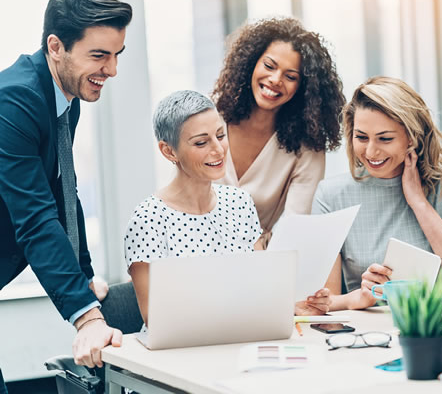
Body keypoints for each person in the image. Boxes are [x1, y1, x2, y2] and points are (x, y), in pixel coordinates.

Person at [0, 0, 132, 380]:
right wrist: (86, 317)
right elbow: (36, 216)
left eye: (117, 54)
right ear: (56, 47)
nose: (112, 69)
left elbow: (63, 189)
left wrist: (84, 276)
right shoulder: (15, 101)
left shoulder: (62, 95)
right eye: (99, 56)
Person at [125, 91, 331, 326]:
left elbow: (262, 291)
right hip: (180, 354)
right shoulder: (148, 219)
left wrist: (293, 306)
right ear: (169, 151)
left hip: (241, 340)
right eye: (201, 142)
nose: (219, 149)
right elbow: (156, 319)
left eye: (221, 135)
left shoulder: (240, 203)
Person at [312, 76, 442, 311]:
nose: (371, 151)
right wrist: (360, 297)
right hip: (370, 335)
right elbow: (323, 302)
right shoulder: (331, 196)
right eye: (361, 137)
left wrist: (419, 203)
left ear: (411, 138)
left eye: (385, 139)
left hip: (438, 327)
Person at [212, 17, 345, 247]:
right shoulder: (209, 116)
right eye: (269, 66)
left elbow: (296, 227)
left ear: (303, 87)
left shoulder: (307, 148)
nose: (275, 80)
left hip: (256, 262)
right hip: (193, 252)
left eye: (290, 76)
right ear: (252, 62)